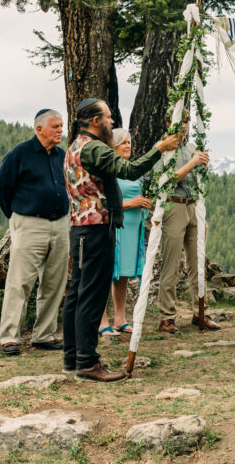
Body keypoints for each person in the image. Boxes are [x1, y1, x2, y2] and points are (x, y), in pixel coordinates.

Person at [63, 99, 180, 382]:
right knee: (90, 295)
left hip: (81, 228)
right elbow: (129, 170)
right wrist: (159, 148)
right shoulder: (94, 148)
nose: (112, 121)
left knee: (78, 293)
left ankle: (72, 356)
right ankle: (88, 362)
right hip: (96, 229)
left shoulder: (76, 146)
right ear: (95, 121)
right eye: (108, 116)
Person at [0, 108, 70, 357]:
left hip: (60, 224)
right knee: (20, 282)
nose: (60, 130)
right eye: (55, 126)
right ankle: (10, 337)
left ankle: (44, 335)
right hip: (29, 224)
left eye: (61, 126)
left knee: (54, 283)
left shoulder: (60, 155)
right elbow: (0, 186)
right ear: (39, 129)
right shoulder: (20, 154)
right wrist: (15, 214)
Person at [156, 120, 218, 335]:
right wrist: (192, 163)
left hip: (195, 207)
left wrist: (203, 165)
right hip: (174, 206)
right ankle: (167, 317)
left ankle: (200, 312)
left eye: (187, 122)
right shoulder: (163, 147)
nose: (185, 127)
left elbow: (196, 177)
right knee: (171, 264)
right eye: (181, 123)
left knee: (198, 263)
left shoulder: (192, 147)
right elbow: (165, 182)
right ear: (168, 122)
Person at [98, 129, 150, 337]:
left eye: (129, 142)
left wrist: (144, 203)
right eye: (123, 143)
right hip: (114, 228)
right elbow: (104, 202)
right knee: (107, 274)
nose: (128, 146)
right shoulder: (107, 170)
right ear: (113, 146)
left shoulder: (131, 170)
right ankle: (102, 321)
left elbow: (138, 193)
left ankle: (120, 318)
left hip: (132, 228)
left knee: (124, 274)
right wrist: (131, 203)